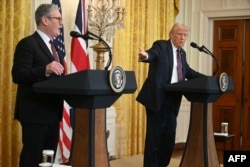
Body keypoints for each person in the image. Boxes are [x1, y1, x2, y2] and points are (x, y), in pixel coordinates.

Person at [136, 23, 205, 167]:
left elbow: (188, 72)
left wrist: (208, 79)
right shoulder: (161, 46)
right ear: (171, 34)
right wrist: (145, 55)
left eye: (185, 35)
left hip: (173, 99)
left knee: (169, 139)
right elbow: (152, 54)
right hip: (158, 98)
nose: (182, 38)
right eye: (180, 34)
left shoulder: (182, 54)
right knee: (154, 139)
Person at [12, 4, 65, 167]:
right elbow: (18, 75)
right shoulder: (27, 44)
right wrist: (45, 69)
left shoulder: (55, 48)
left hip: (52, 112)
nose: (61, 23)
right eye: (58, 19)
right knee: (32, 158)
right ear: (45, 20)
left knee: (48, 160)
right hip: (34, 113)